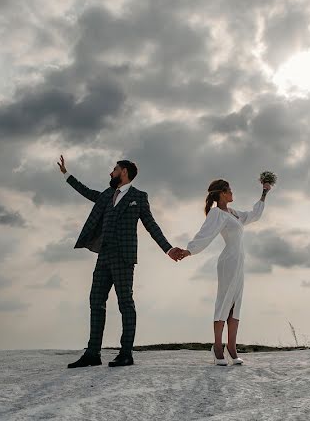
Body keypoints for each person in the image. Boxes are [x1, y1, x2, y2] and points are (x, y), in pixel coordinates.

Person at [58, 155, 187, 368]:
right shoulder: (107, 195)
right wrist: (66, 174)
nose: (111, 173)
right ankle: (92, 354)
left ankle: (126, 353)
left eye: (114, 169)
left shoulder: (139, 197)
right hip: (104, 256)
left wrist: (168, 248)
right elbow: (86, 191)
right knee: (95, 301)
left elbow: (150, 224)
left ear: (124, 172)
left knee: (125, 303)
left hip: (124, 258)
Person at [181, 177, 271, 365]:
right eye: (229, 190)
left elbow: (253, 215)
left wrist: (264, 192)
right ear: (222, 193)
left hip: (239, 262)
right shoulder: (216, 214)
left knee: (235, 304)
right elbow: (205, 234)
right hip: (228, 262)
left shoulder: (233, 213)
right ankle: (217, 348)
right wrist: (189, 250)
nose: (232, 193)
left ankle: (231, 348)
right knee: (224, 302)